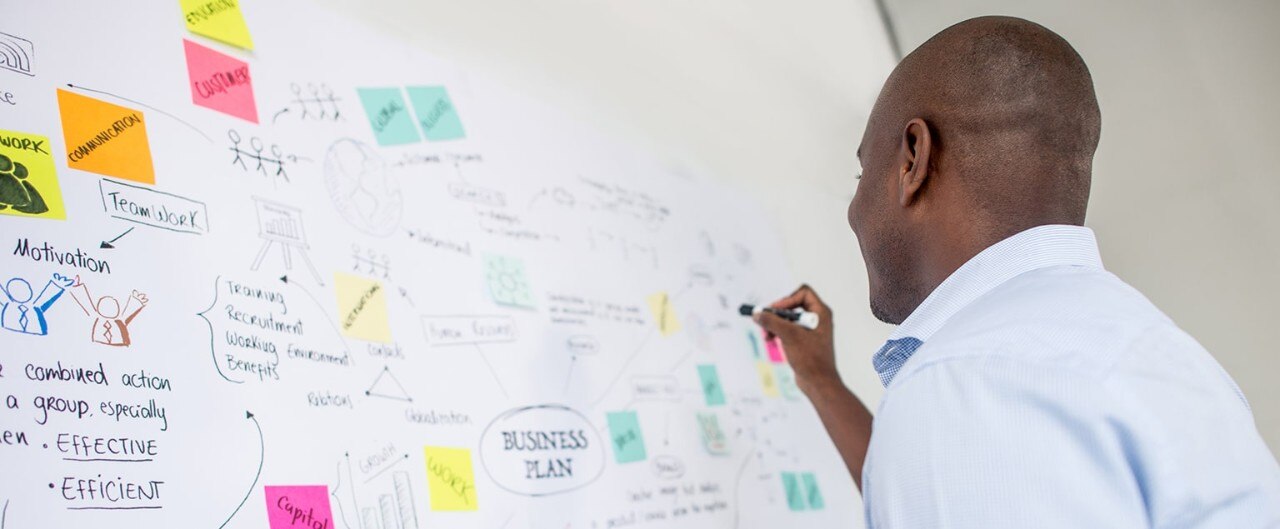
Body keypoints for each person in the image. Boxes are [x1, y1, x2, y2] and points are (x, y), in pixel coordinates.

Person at [753, 16, 1280, 528]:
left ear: (914, 158)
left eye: (862, 173)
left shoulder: (966, 385)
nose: (852, 209)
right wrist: (822, 381)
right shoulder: (1151, 351)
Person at [67, 275, 148, 346]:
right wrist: (77, 287)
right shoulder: (97, 317)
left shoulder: (119, 321)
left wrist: (136, 301)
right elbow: (86, 303)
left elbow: (128, 312)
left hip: (118, 345)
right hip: (97, 344)